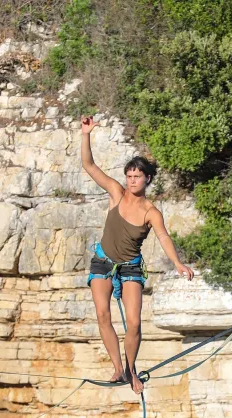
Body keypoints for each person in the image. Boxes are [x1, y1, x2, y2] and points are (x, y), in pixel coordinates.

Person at [81, 115, 194, 395]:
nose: (131, 181)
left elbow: (164, 237)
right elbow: (89, 165)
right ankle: (118, 369)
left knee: (134, 323)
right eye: (129, 176)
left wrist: (178, 263)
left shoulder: (151, 212)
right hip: (103, 262)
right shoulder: (116, 193)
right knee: (103, 314)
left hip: (130, 267)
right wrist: (85, 134)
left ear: (147, 179)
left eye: (137, 177)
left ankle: (131, 369)